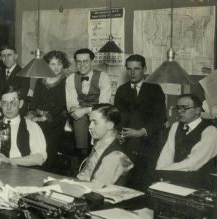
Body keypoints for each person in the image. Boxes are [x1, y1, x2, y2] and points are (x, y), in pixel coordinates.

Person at [113, 54, 166, 190]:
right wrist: (118, 132)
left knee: (142, 182)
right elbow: (118, 118)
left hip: (148, 142)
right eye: (129, 69)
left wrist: (140, 132)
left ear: (144, 69)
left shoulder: (155, 89)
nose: (132, 72)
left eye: (136, 69)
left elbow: (160, 119)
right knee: (123, 180)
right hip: (126, 141)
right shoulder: (122, 90)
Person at [156, 94, 217, 189]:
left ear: (197, 110)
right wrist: (159, 175)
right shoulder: (176, 126)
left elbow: (193, 163)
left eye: (184, 108)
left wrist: (164, 171)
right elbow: (167, 153)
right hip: (174, 178)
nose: (180, 111)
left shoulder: (210, 130)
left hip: (200, 183)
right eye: (178, 108)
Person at [65, 48, 112, 158]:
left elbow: (104, 104)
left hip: (99, 112)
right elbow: (71, 103)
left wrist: (86, 110)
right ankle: (82, 155)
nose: (82, 65)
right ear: (75, 63)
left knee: (99, 119)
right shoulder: (71, 78)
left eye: (85, 61)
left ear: (92, 61)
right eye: (79, 62)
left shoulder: (103, 77)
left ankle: (98, 154)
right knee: (78, 118)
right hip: (79, 114)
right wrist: (76, 110)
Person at [27, 50, 69, 171]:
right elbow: (34, 102)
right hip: (39, 118)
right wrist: (31, 113)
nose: (56, 68)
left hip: (55, 120)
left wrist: (40, 118)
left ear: (63, 65)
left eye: (59, 64)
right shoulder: (41, 81)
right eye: (52, 64)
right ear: (47, 65)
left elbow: (60, 106)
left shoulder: (66, 82)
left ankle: (44, 168)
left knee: (46, 140)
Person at [76, 104, 133, 187]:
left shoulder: (114, 156)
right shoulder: (100, 145)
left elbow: (96, 191)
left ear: (109, 125)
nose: (90, 127)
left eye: (95, 122)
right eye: (90, 122)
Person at [0, 88, 47, 167]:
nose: (8, 108)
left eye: (13, 103)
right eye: (5, 103)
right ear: (0, 104)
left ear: (20, 104)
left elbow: (39, 158)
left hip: (23, 174)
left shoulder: (32, 127)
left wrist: (9, 160)